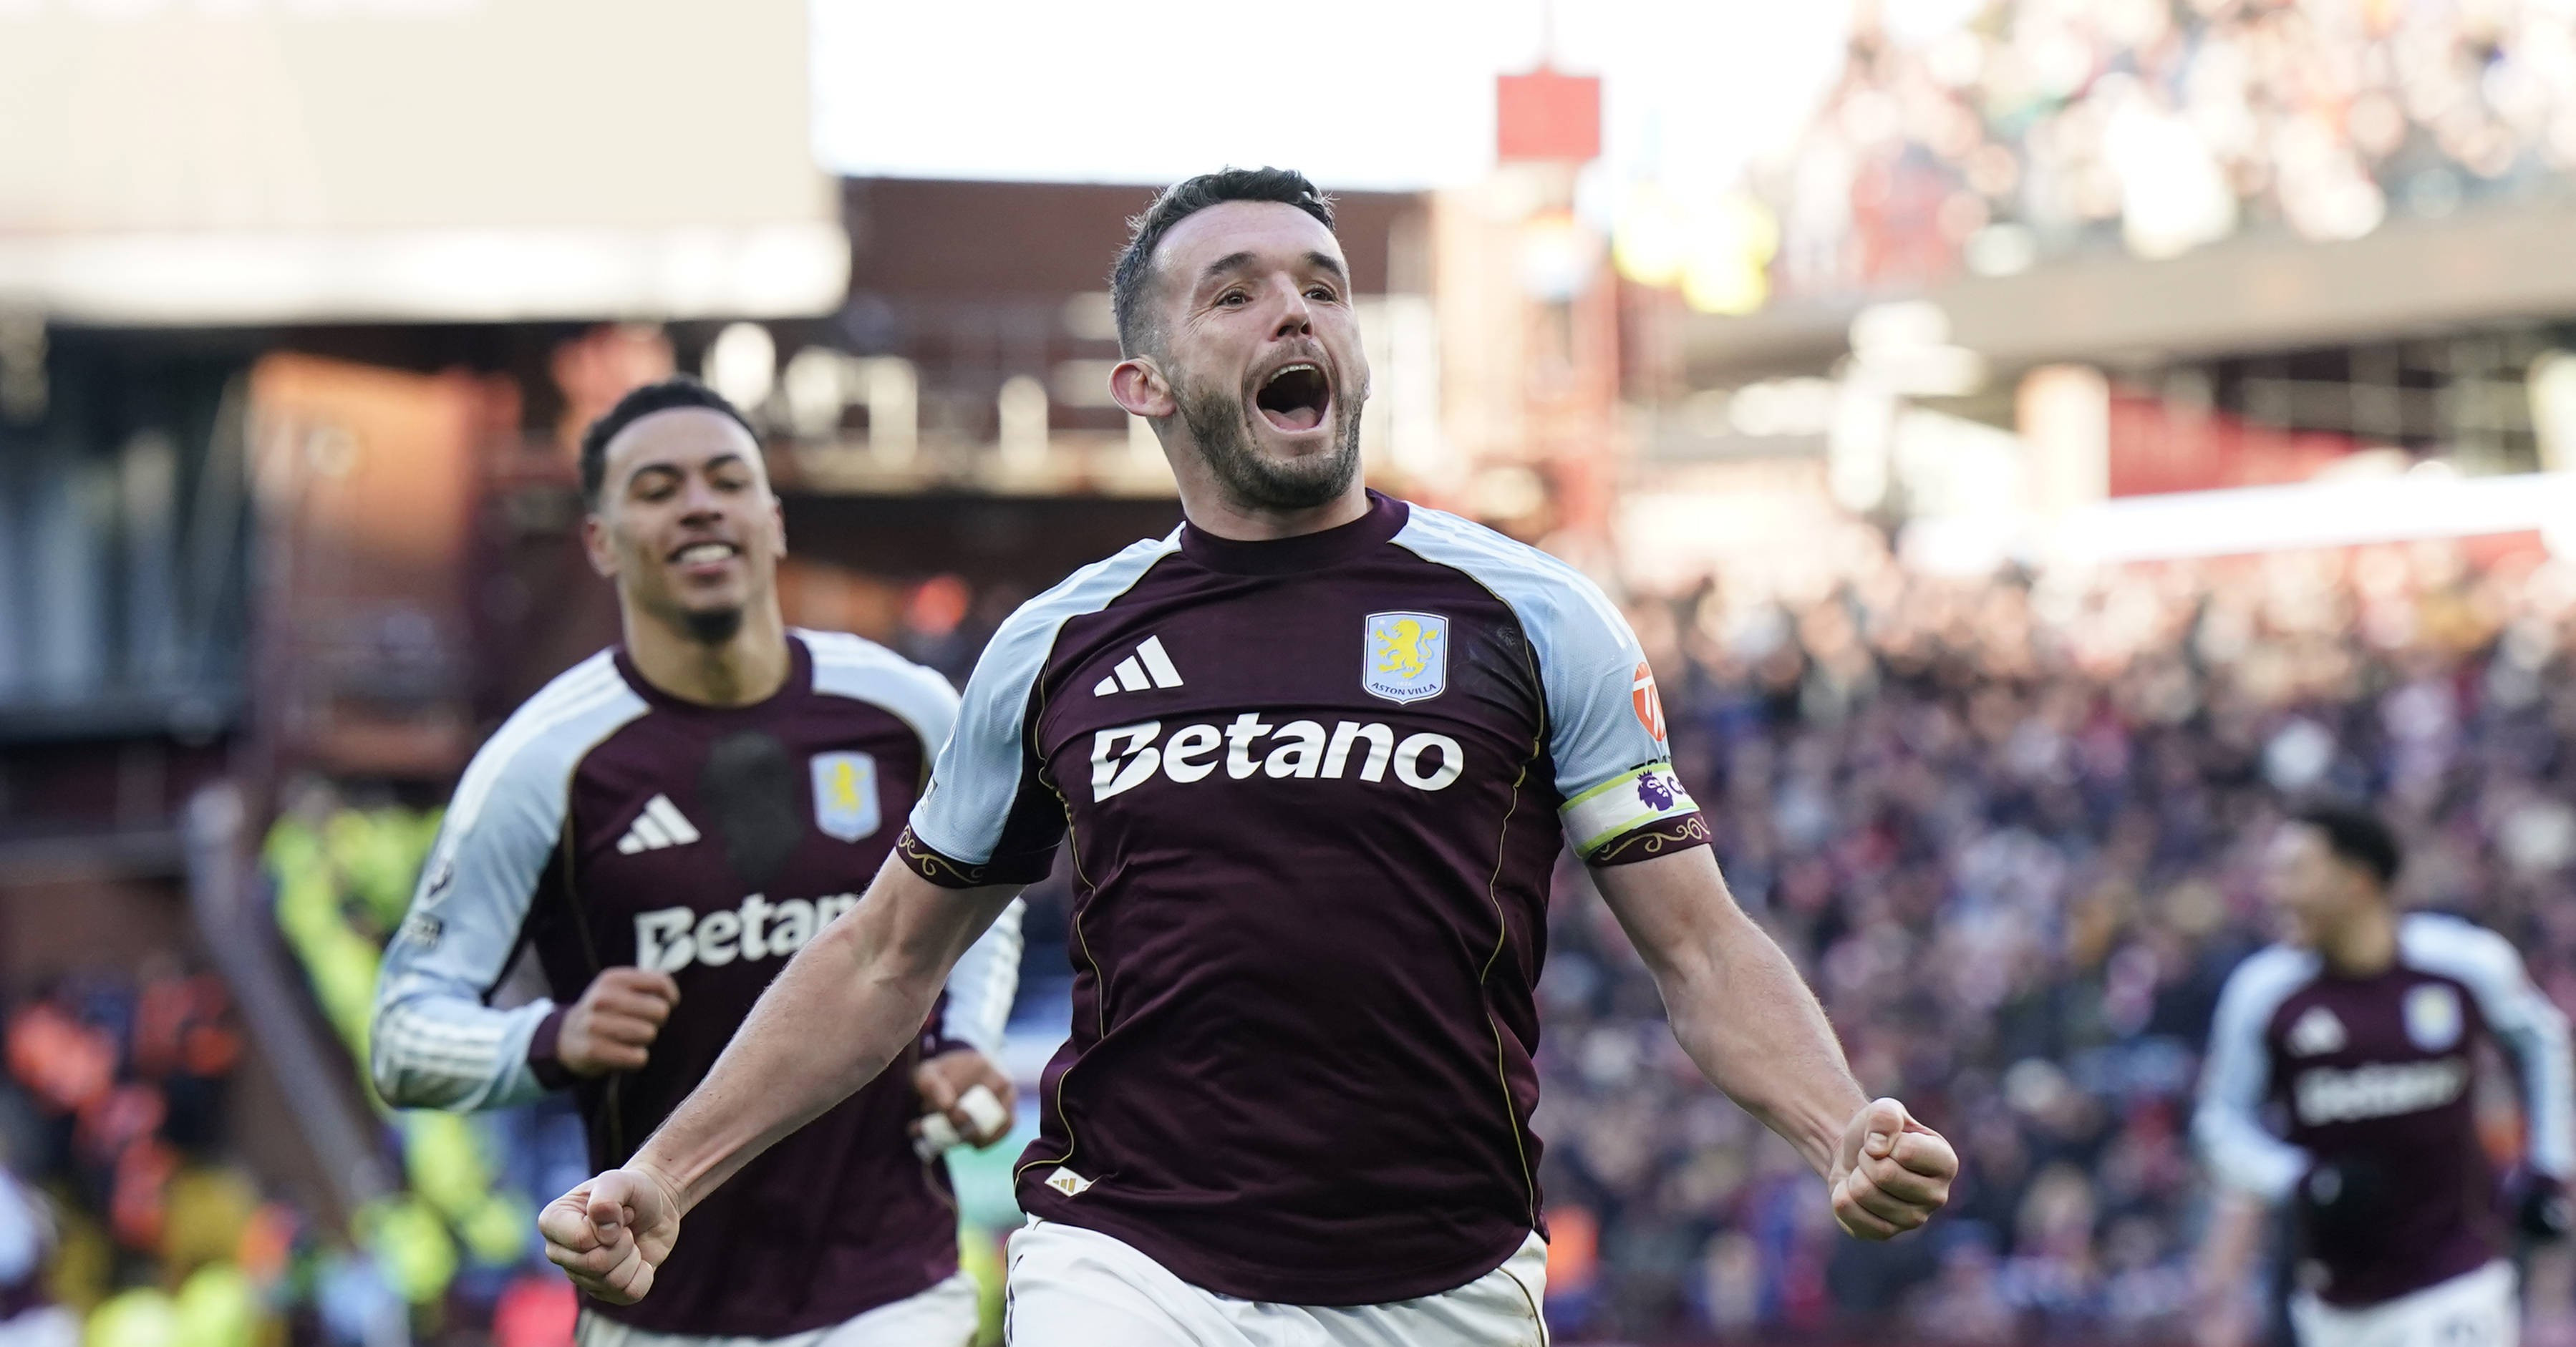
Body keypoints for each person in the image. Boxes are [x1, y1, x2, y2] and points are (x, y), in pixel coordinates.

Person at [537, 168, 1956, 1346]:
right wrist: (668, 1172)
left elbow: (1697, 947)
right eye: (1236, 291)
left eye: (1320, 285)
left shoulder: (1533, 612)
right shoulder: (1058, 642)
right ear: (1143, 382)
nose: (1294, 308)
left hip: (1440, 1275)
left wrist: (1835, 1123)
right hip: (1128, 1261)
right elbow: (880, 958)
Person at [372, 377, 1024, 1347]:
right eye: (657, 486)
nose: (699, 504)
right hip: (658, 1299)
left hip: (889, 1283)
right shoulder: (542, 760)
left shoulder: (905, 710)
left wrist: (958, 1036)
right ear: (600, 539)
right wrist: (551, 1037)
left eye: (727, 479)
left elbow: (986, 895)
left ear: (772, 519)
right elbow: (402, 1036)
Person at [2194, 804, 2574, 1347]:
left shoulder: (2463, 965)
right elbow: (2218, 1125)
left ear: (2357, 882)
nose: (2276, 892)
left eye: (2296, 872)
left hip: (2458, 1276)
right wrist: (2301, 1178)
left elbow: (2542, 1044)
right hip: (2334, 1299)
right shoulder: (2264, 994)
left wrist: (2549, 1168)